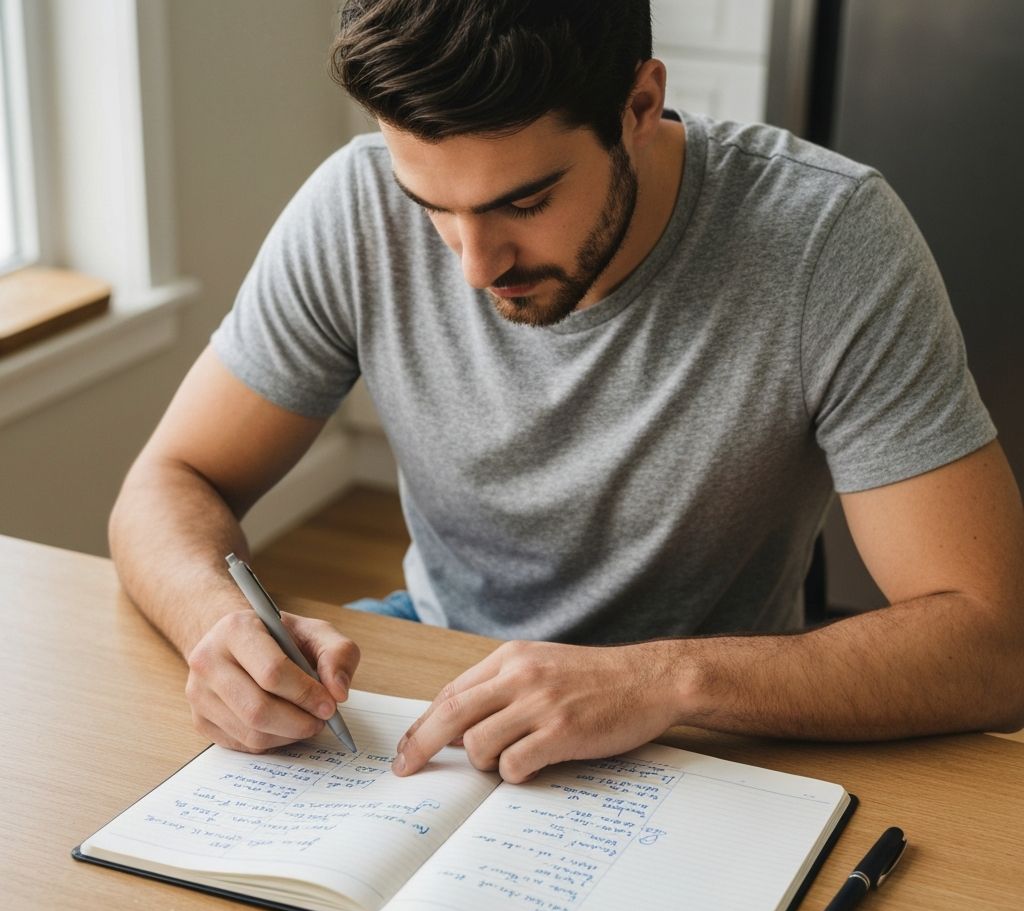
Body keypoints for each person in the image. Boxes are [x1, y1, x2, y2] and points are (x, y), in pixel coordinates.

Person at [108, 0, 1024, 782]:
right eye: (432, 206)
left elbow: (993, 643)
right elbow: (170, 480)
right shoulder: (351, 208)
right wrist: (218, 623)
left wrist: (662, 682)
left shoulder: (827, 239)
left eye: (525, 201)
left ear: (640, 104)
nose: (473, 266)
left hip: (715, 722)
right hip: (440, 671)